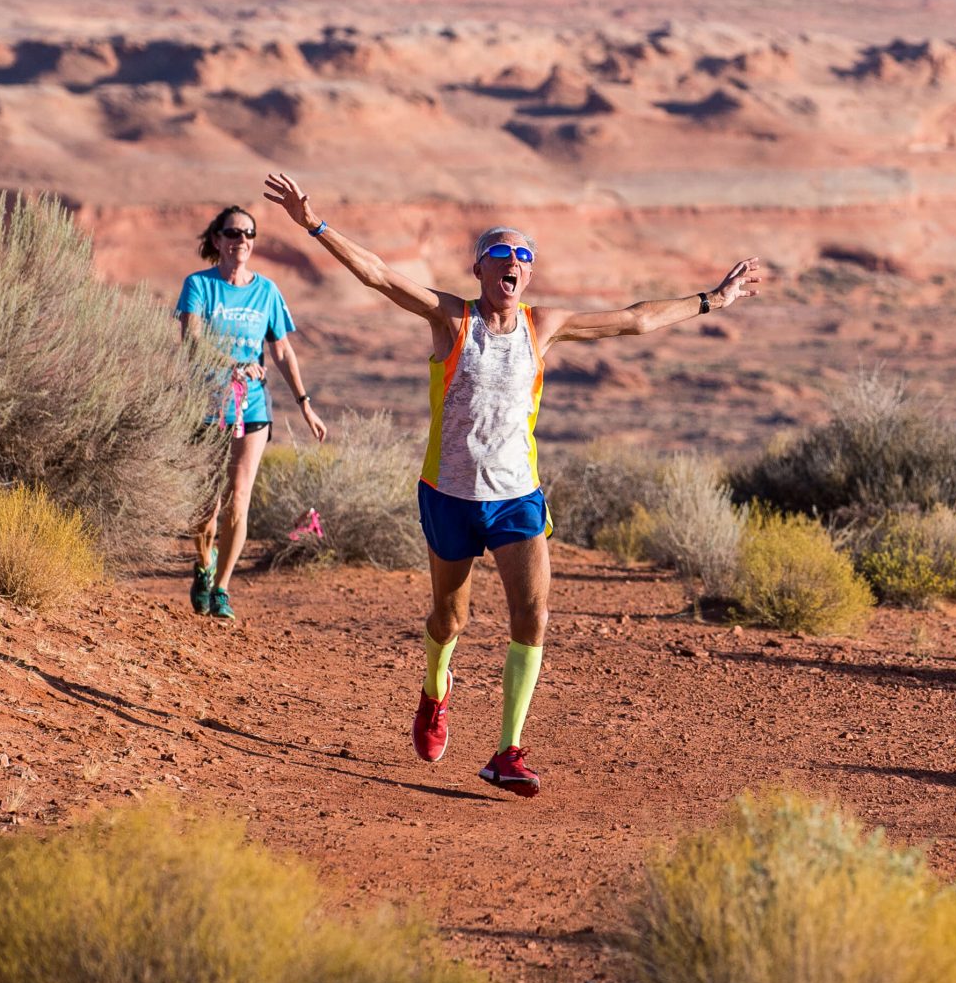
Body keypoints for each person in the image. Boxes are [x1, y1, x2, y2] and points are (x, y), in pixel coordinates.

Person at [262, 170, 761, 796]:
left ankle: (507, 751)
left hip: (517, 497)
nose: (514, 262)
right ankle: (434, 692)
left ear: (529, 274)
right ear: (479, 269)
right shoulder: (452, 319)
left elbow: (634, 321)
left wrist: (713, 299)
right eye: (501, 252)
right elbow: (380, 275)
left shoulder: (541, 324)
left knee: (534, 615)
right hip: (449, 495)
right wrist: (315, 225)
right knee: (450, 617)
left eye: (524, 255)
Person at [176, 203, 328, 621]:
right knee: (207, 506)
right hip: (207, 406)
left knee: (239, 500)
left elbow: (281, 349)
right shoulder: (198, 286)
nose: (242, 240)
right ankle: (204, 564)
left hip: (253, 407)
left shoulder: (267, 292)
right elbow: (191, 340)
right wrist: (231, 365)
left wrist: (305, 404)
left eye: (249, 234)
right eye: (233, 233)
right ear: (217, 240)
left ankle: (222, 589)